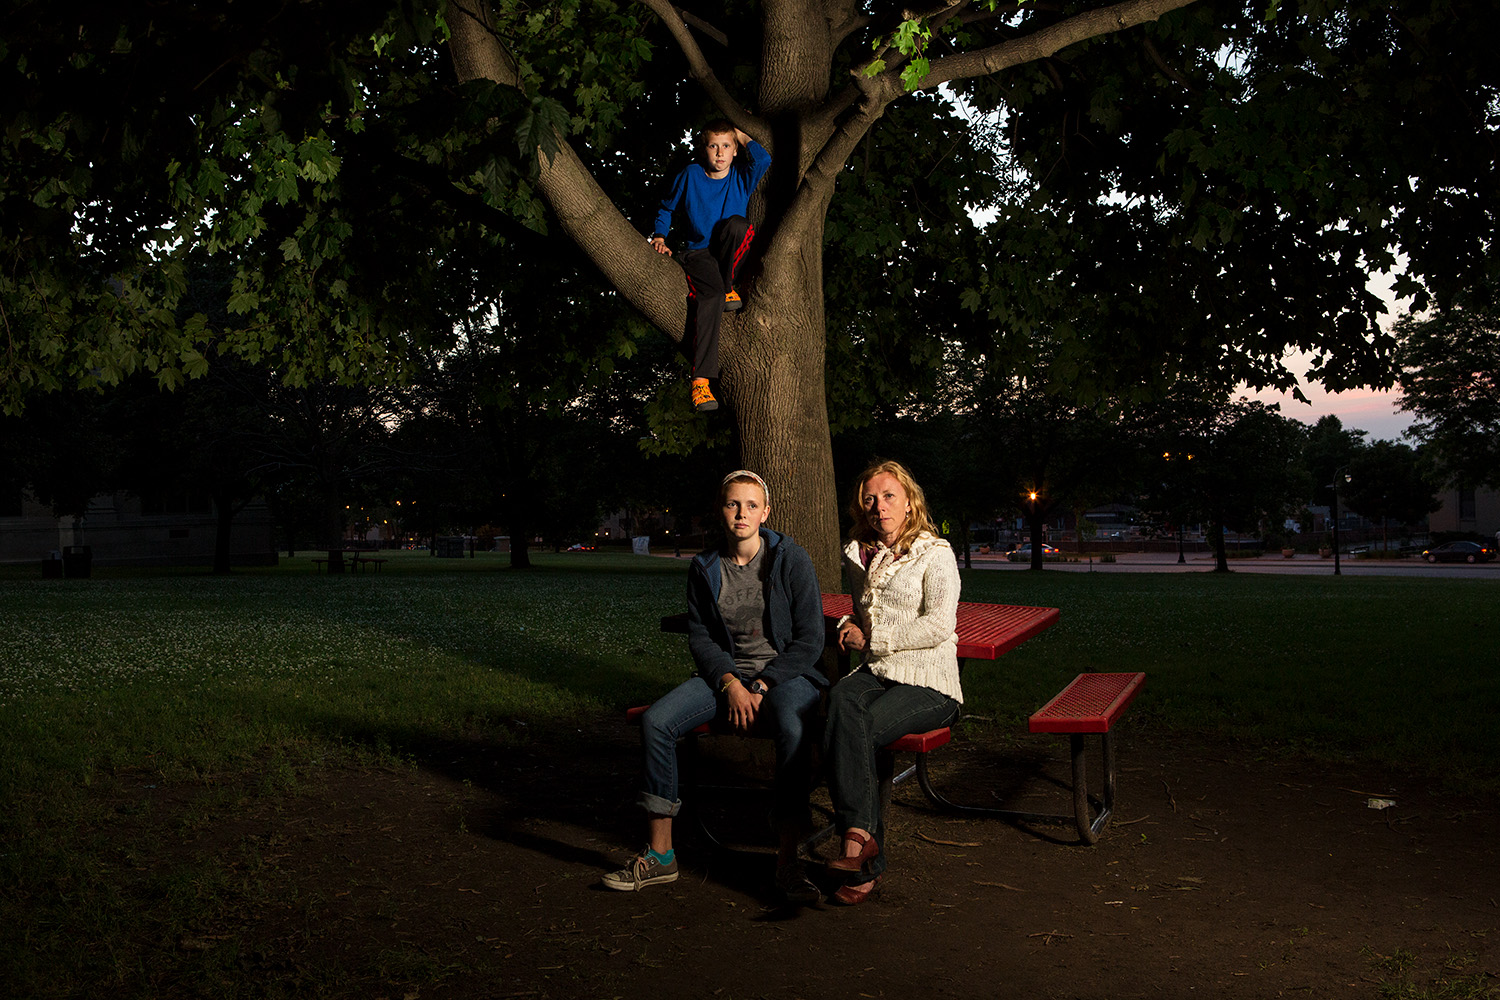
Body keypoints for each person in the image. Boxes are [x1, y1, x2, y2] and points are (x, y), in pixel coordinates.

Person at [602, 471, 826, 903]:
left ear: (766, 512)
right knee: (658, 721)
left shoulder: (790, 559)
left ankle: (788, 862)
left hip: (786, 675)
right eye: (732, 504)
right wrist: (729, 682)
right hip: (725, 676)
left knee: (793, 725)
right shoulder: (705, 567)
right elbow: (701, 636)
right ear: (720, 510)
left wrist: (761, 683)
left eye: (750, 505)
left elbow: (810, 640)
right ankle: (661, 855)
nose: (741, 514)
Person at [822, 459, 962, 905]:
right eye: (869, 498)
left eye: (888, 497)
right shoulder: (862, 555)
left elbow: (938, 625)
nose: (878, 506)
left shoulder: (936, 554)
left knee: (855, 729)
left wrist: (874, 637)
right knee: (843, 695)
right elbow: (862, 611)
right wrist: (848, 621)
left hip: (930, 683)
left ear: (908, 503)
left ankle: (857, 849)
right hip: (879, 673)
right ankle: (862, 842)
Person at [649, 121, 771, 413]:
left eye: (726, 146)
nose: (720, 152)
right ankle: (701, 381)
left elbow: (764, 158)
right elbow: (667, 207)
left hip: (728, 254)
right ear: (704, 150)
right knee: (712, 297)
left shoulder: (742, 176)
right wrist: (660, 236)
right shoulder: (691, 175)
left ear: (735, 151)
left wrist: (740, 135)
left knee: (740, 225)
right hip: (698, 254)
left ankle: (729, 285)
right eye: (713, 146)